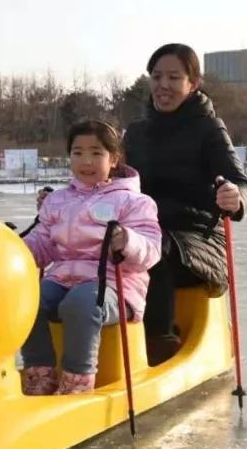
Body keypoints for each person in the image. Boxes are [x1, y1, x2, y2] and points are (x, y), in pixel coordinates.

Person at [123, 44, 247, 364]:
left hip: (197, 240)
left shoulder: (208, 128)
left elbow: (241, 183)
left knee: (155, 247)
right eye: (156, 76)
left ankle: (159, 345)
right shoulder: (136, 133)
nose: (163, 85)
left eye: (173, 77)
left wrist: (234, 197)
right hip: (146, 228)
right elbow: (113, 181)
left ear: (192, 83)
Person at [21, 120, 162, 395]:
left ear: (114, 159)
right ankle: (41, 372)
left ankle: (77, 380)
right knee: (26, 299)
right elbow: (43, 243)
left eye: (96, 153)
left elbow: (151, 251)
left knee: (81, 303)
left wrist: (128, 241)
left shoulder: (134, 202)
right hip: (63, 279)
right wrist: (14, 251)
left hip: (114, 286)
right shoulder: (58, 200)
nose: (86, 161)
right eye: (78, 152)